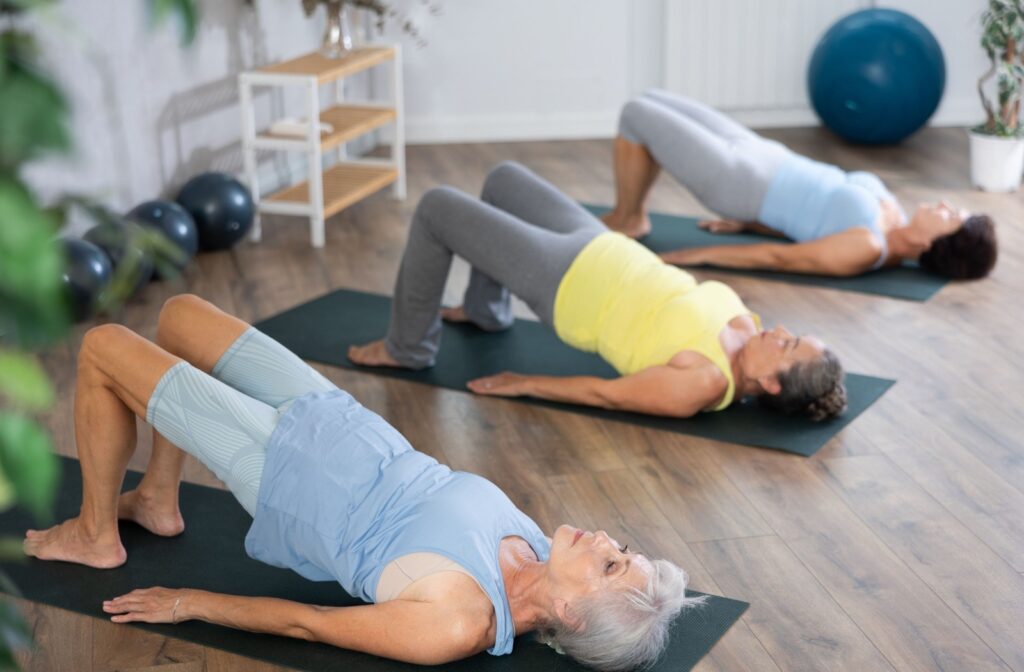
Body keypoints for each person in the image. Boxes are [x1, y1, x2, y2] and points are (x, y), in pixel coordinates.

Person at [22, 295, 699, 671]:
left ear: (572, 615)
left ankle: (95, 534)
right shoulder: (536, 547)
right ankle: (157, 499)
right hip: (337, 418)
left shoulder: (458, 622)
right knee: (179, 316)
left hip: (285, 470)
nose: (605, 539)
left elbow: (311, 623)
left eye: (610, 564)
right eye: (622, 548)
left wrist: (188, 602)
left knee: (103, 345)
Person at [349, 161, 847, 421]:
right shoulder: (747, 330)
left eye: (788, 345)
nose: (780, 330)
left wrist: (525, 383)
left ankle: (407, 348)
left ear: (771, 384)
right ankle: (485, 308)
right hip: (603, 245)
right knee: (504, 179)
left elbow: (606, 395)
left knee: (437, 206)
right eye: (791, 334)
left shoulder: (703, 383)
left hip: (565, 282)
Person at [600, 90, 998, 279]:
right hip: (758, 151)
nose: (943, 204)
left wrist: (696, 255)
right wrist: (750, 226)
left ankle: (629, 218)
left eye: (950, 216)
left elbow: (781, 258)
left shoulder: (868, 247)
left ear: (933, 244)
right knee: (651, 99)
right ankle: (630, 214)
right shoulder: (893, 216)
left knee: (636, 113)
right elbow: (811, 221)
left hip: (736, 181)